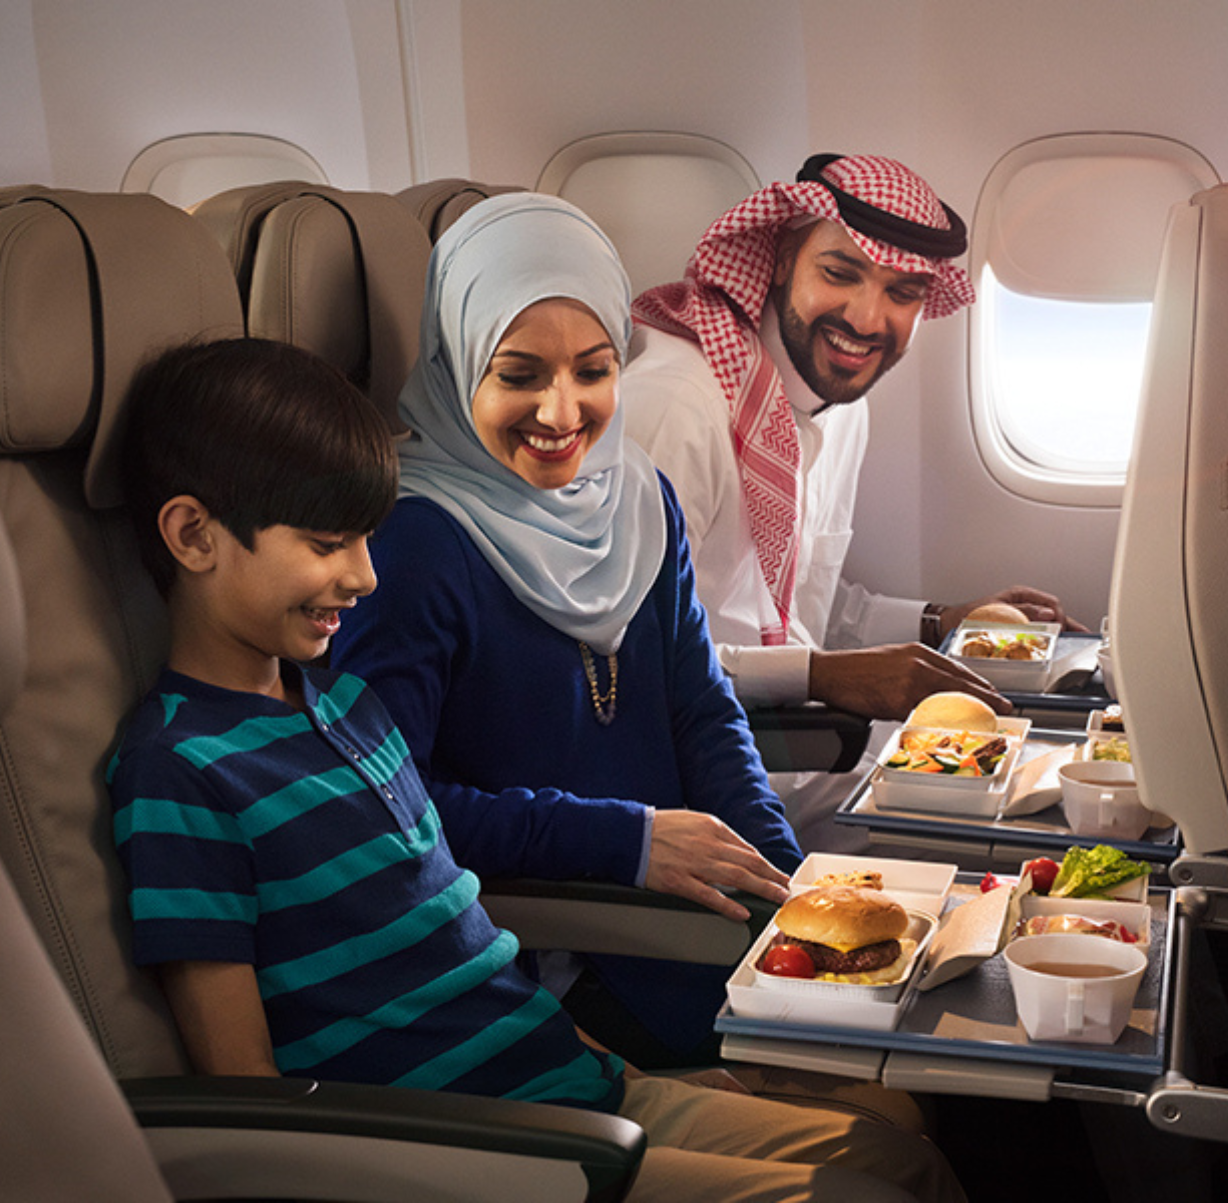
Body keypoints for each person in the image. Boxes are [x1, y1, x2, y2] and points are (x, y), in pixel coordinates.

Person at [108, 336, 966, 1203]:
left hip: (568, 1085)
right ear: (192, 535)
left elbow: (465, 944)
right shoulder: (182, 774)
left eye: (365, 540)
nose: (364, 575)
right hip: (470, 1149)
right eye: (328, 543)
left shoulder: (345, 707)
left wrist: (632, 1081)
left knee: (898, 1152)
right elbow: (252, 1100)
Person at [329, 192, 801, 1068]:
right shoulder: (413, 544)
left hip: (689, 912)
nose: (562, 412)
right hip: (565, 945)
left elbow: (702, 711)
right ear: (458, 361)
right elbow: (389, 805)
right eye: (518, 375)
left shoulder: (638, 496)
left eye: (592, 370)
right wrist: (626, 840)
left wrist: (789, 878)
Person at [621, 152, 1085, 851]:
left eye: (902, 292)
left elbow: (809, 609)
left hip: (806, 750)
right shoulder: (678, 408)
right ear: (778, 261)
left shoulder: (839, 404)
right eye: (840, 273)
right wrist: (827, 676)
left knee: (1064, 780)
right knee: (1040, 834)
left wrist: (941, 621)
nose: (868, 318)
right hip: (707, 783)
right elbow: (627, 661)